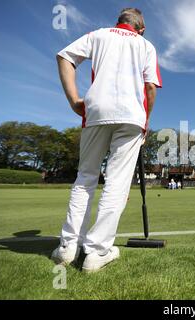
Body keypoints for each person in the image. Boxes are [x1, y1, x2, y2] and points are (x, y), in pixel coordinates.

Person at [51, 8, 162, 272]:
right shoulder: (146, 45)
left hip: (96, 111)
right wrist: (146, 122)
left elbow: (64, 56)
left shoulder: (98, 35)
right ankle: (97, 252)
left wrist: (73, 100)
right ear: (141, 28)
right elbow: (149, 88)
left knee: (85, 178)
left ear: (119, 22)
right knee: (117, 184)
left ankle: (68, 248)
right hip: (132, 116)